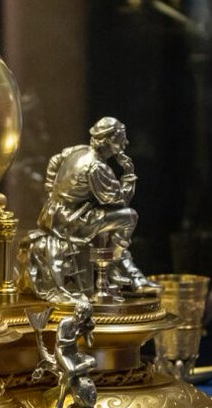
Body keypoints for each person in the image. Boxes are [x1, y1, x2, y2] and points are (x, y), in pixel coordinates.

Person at [25, 116, 157, 303]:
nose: (126, 143)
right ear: (109, 140)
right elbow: (120, 201)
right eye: (122, 139)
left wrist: (51, 191)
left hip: (54, 213)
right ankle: (116, 263)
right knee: (129, 217)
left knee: (109, 222)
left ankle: (125, 269)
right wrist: (129, 175)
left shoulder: (78, 150)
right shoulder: (97, 168)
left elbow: (55, 160)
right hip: (73, 222)